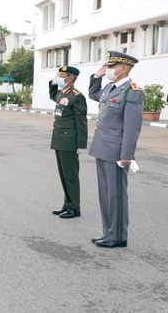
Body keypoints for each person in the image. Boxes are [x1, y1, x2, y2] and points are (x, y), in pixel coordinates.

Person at [89, 51, 144, 248]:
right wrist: (97, 77)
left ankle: (118, 236)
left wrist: (127, 156)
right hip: (102, 148)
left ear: (123, 68)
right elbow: (93, 94)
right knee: (105, 194)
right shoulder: (110, 88)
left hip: (116, 153)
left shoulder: (132, 92)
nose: (109, 70)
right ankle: (108, 232)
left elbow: (132, 128)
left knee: (116, 195)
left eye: (111, 67)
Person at [49, 66, 88, 219]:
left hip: (69, 141)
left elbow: (81, 122)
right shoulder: (61, 93)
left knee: (70, 175)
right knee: (63, 175)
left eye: (61, 75)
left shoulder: (77, 96)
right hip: (59, 139)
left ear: (70, 78)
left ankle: (75, 207)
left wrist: (81, 145)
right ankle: (67, 204)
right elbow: (52, 95)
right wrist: (53, 82)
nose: (58, 77)